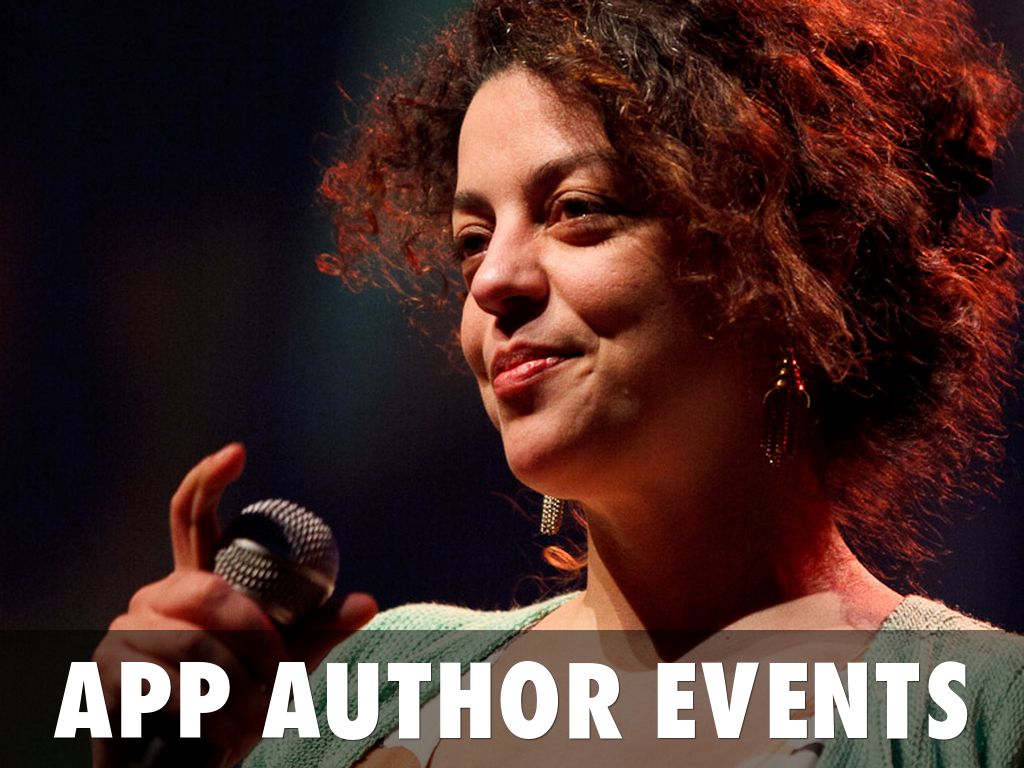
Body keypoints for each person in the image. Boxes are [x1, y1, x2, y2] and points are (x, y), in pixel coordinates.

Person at [94, 0, 1024, 766]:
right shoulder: (371, 693)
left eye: (576, 210)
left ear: (795, 260)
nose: (492, 281)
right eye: (471, 241)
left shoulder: (983, 714)